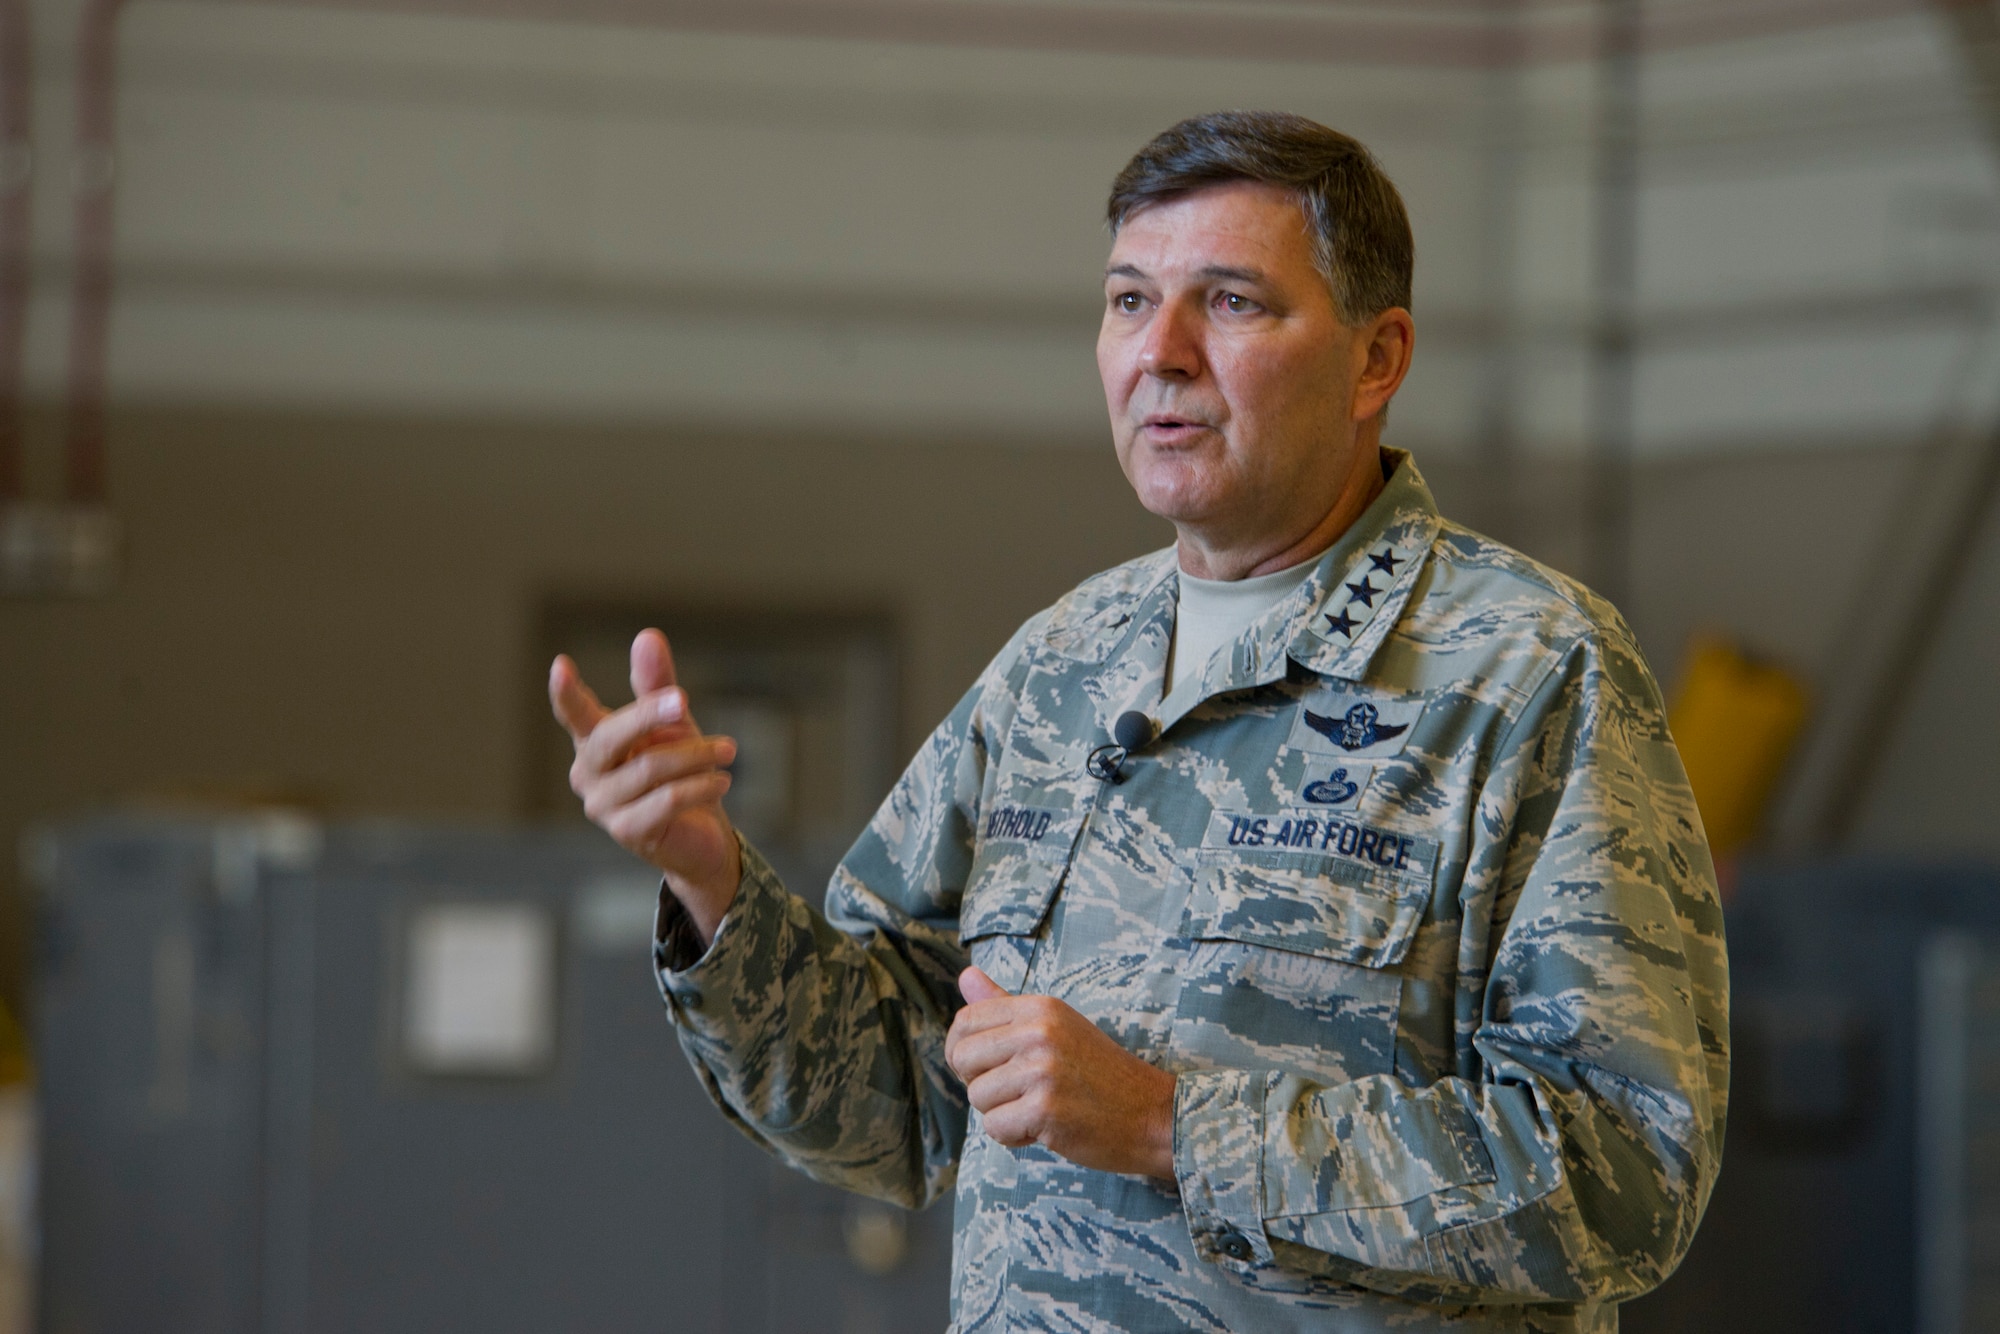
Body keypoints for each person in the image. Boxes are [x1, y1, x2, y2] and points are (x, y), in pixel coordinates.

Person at [549, 111, 1728, 1333]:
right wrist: (710, 879)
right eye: (1125, 300)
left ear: (1375, 360)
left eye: (1228, 302)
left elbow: (1622, 1168)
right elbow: (895, 1096)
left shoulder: (1530, 670)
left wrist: (1171, 1123)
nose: (1156, 352)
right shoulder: (1059, 663)